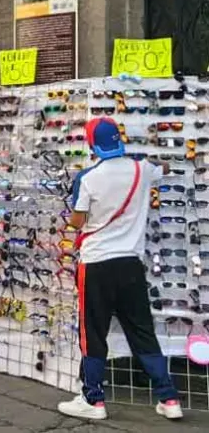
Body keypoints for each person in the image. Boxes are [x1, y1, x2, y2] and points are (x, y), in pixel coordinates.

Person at [57, 117, 183, 421]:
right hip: (130, 264)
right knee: (142, 332)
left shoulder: (88, 178)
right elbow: (162, 169)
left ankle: (94, 400)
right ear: (119, 139)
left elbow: (77, 221)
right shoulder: (142, 170)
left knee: (93, 333)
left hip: (97, 264)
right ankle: (169, 398)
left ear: (92, 144)